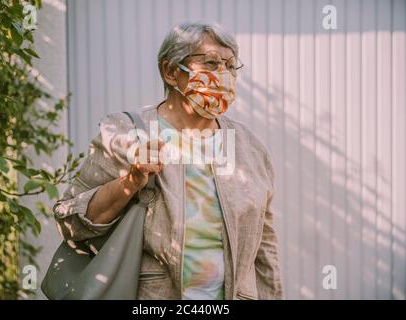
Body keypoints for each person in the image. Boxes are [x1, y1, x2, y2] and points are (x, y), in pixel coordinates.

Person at [52, 21, 284, 300]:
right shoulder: (126, 133)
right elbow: (71, 222)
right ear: (171, 72)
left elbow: (265, 248)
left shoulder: (251, 149)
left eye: (230, 66)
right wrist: (130, 182)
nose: (223, 75)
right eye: (211, 63)